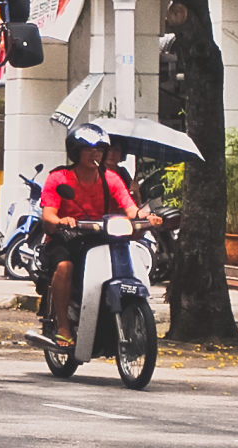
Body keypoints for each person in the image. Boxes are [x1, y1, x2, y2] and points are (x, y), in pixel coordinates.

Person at [37, 123, 156, 348]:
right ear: (75, 152)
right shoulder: (58, 178)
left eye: (100, 150)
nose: (96, 154)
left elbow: (130, 209)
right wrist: (62, 221)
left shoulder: (110, 178)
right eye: (89, 149)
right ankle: (63, 326)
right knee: (65, 267)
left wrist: (146, 217)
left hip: (100, 237)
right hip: (66, 238)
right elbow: (49, 216)